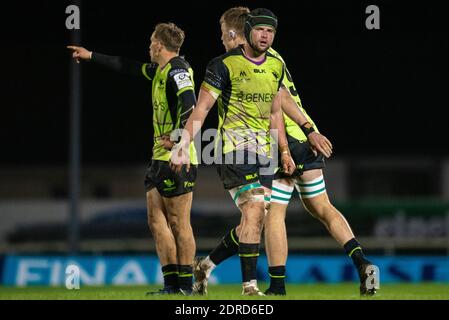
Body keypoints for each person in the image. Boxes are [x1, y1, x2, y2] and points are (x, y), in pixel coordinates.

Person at [192, 7, 377, 296]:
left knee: (269, 215)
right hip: (305, 142)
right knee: (323, 207)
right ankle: (361, 260)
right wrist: (310, 129)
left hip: (279, 141)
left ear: (232, 34)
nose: (223, 43)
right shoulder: (272, 55)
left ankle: (277, 285)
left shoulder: (251, 61)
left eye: (223, 36)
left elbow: (281, 100)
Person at [169, 8, 296, 296]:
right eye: (261, 30)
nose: (266, 36)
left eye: (271, 31)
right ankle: (249, 287)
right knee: (253, 209)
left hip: (265, 153)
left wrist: (285, 151)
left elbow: (275, 112)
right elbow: (201, 109)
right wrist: (182, 144)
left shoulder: (275, 66)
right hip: (232, 150)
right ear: (248, 30)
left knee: (256, 217)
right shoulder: (223, 64)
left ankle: (205, 266)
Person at [67, 22, 198, 295]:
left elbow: (190, 106)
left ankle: (186, 286)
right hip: (158, 157)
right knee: (155, 220)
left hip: (179, 157)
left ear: (160, 45)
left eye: (151, 42)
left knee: (178, 222)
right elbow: (125, 65)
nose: (149, 46)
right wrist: (90, 55)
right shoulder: (159, 71)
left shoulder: (179, 70)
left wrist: (179, 143)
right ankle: (171, 285)